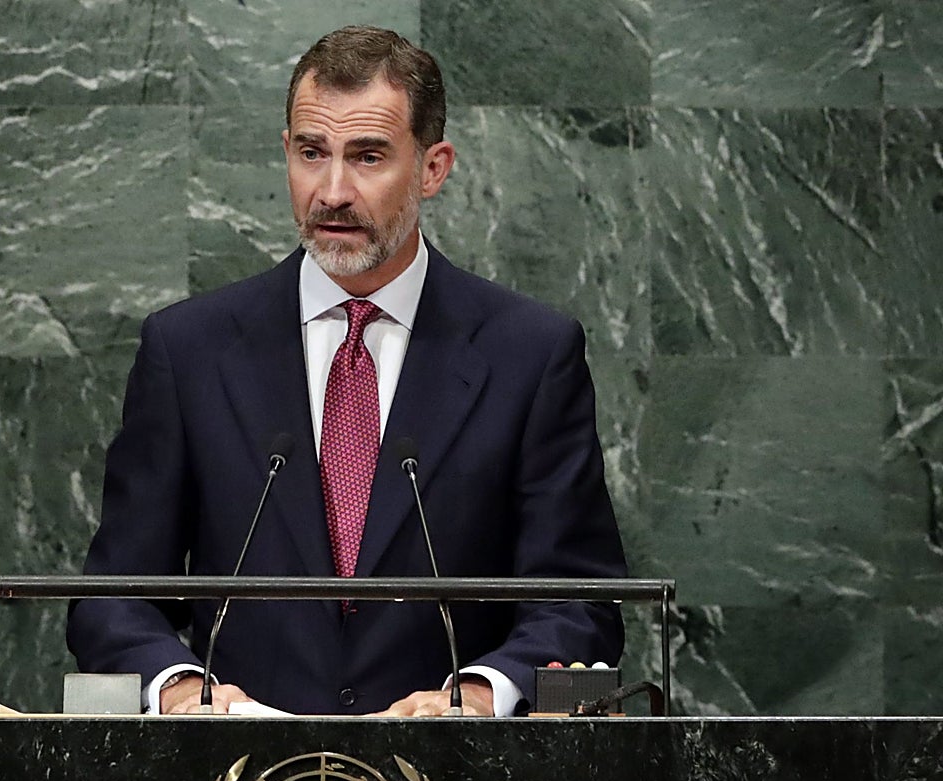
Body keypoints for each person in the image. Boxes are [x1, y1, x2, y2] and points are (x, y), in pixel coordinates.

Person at [66, 26, 627, 717]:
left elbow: (581, 604)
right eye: (311, 153)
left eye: (368, 157)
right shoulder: (189, 350)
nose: (332, 191)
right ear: (286, 155)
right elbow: (111, 601)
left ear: (433, 168)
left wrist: (481, 695)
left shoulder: (531, 354)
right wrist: (182, 690)